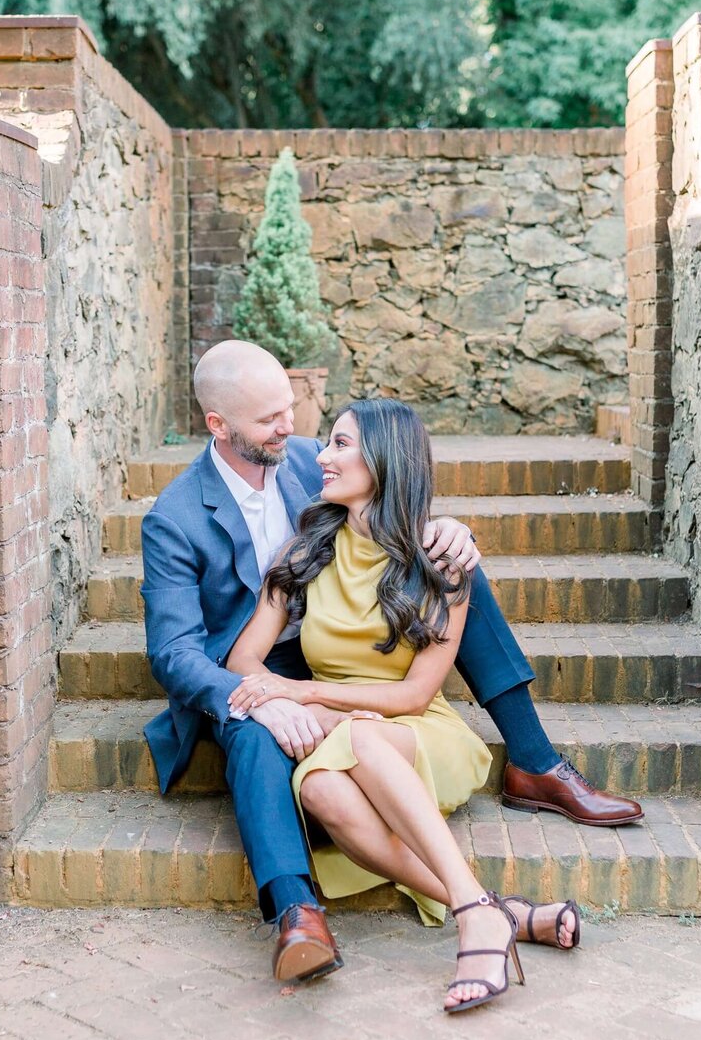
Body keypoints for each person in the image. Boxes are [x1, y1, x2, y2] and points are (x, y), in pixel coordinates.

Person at [141, 341, 640, 985]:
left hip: (352, 664)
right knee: (255, 726)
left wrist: (451, 530)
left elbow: (391, 492)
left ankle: (534, 760)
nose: (296, 432)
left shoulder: (303, 459)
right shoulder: (175, 518)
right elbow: (176, 653)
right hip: (259, 664)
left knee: (455, 569)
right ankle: (301, 911)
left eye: (291, 410)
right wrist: (276, 693)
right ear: (219, 425)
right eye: (270, 419)